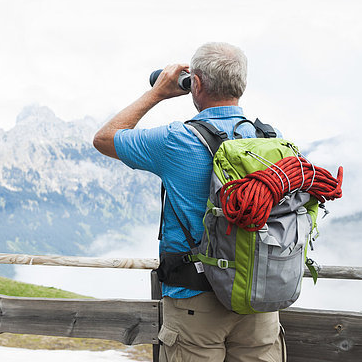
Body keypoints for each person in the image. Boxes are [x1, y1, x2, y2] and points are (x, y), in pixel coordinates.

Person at [93, 42, 285, 362]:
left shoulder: (177, 140)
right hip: (259, 293)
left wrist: (158, 92)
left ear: (195, 83)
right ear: (242, 83)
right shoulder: (270, 139)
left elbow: (105, 138)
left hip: (194, 297)